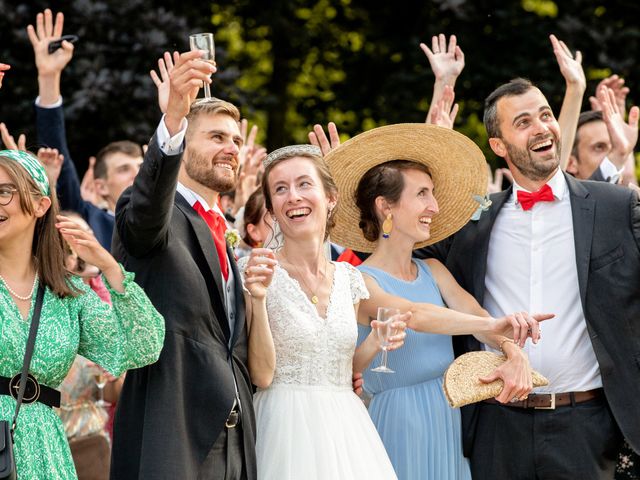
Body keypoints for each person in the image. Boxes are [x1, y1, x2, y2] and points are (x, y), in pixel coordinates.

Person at [415, 77, 640, 479]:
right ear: (499, 145)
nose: (541, 127)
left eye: (546, 115)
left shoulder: (616, 208)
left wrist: (623, 154)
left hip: (588, 427)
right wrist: (432, 157)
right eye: (523, 122)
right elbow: (396, 254)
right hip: (495, 426)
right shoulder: (472, 222)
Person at [325, 123, 550, 480]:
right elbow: (416, 315)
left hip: (446, 416)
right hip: (398, 421)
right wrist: (491, 326)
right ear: (386, 207)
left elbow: (477, 315)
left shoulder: (433, 269)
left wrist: (511, 346)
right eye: (423, 194)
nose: (435, 205)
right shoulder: (358, 280)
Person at [110, 50, 256, 479]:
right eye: (216, 137)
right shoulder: (155, 214)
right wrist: (173, 118)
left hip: (237, 442)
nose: (231, 147)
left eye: (235, 140)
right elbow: (147, 209)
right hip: (172, 432)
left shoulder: (228, 236)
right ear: (183, 145)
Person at [239, 144, 404, 479]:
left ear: (330, 198)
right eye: (280, 190)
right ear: (271, 210)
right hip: (283, 429)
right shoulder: (256, 272)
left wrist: (374, 341)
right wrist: (256, 299)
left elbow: (341, 367)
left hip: (347, 430)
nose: (293, 197)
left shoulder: (349, 279)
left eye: (304, 184)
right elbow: (262, 376)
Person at [0, 149, 164, 479]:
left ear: (41, 204)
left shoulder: (67, 294)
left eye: (4, 191)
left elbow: (144, 346)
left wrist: (108, 266)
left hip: (46, 450)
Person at [29, 9, 143, 249]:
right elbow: (55, 151)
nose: (137, 174)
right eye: (124, 169)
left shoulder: (174, 222)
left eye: (141, 167)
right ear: (101, 186)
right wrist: (49, 77)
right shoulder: (87, 220)